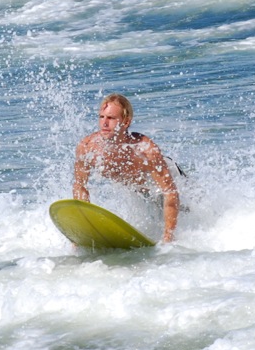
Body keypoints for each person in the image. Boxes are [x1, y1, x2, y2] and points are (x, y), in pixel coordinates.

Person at [73, 93, 180, 243]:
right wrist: (84, 226)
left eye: (111, 118)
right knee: (153, 211)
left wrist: (168, 238)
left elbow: (171, 193)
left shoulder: (145, 150)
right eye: (101, 117)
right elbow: (79, 186)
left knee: (186, 210)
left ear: (126, 122)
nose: (104, 123)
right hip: (140, 189)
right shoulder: (87, 147)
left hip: (171, 177)